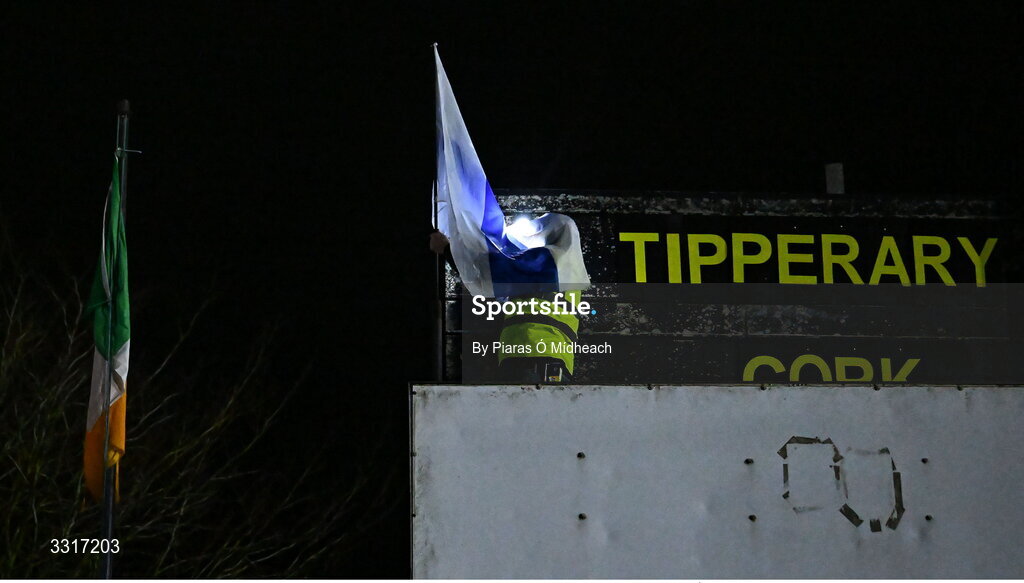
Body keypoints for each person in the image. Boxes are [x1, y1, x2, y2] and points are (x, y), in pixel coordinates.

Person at [429, 230, 579, 383]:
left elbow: (481, 275)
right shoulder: (570, 273)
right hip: (553, 365)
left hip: (527, 360)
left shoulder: (542, 263)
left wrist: (447, 248)